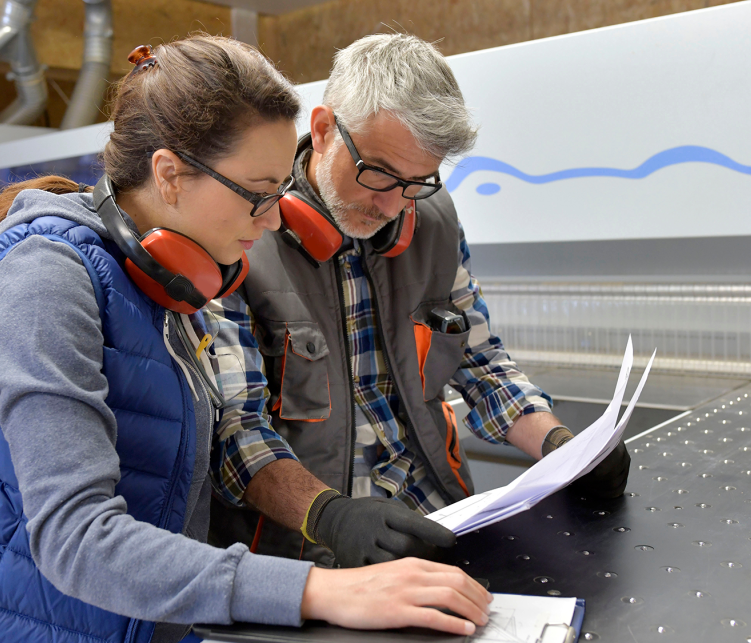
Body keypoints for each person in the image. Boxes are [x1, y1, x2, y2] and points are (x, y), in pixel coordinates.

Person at [0, 35, 492, 643]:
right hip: (23, 623)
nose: (273, 220)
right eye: (261, 195)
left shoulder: (176, 277)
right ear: (170, 174)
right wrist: (323, 590)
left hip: (146, 617)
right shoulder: (45, 279)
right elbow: (75, 538)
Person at [206, 33, 631, 568]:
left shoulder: (431, 221)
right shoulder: (238, 239)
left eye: (416, 181)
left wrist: (563, 447)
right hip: (309, 546)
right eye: (378, 172)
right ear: (322, 130)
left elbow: (481, 363)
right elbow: (235, 432)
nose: (391, 204)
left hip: (439, 519)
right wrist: (331, 517)